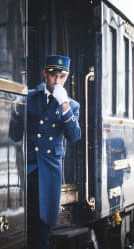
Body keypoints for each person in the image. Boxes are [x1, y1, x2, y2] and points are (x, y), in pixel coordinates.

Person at [27, 55, 81, 249]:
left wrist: (64, 104)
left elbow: (74, 136)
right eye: (53, 75)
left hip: (49, 172)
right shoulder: (30, 97)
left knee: (42, 229)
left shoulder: (72, 106)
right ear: (44, 73)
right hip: (28, 169)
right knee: (24, 224)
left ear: (66, 77)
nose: (57, 81)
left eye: (62, 76)